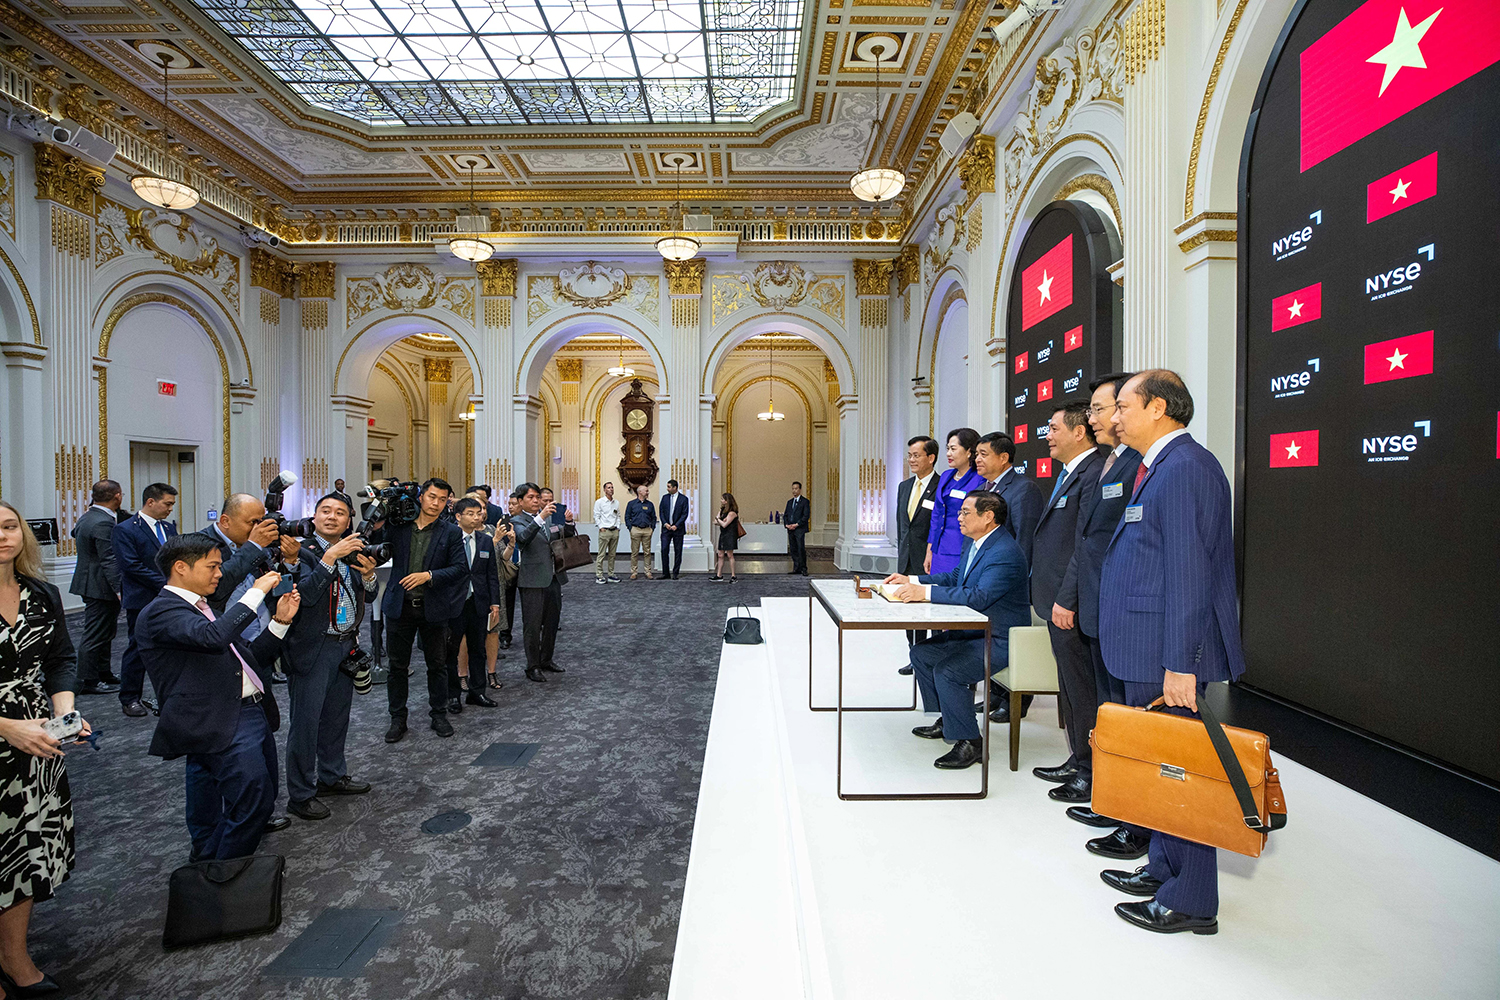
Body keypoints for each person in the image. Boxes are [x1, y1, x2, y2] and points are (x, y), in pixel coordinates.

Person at [1096, 370, 1246, 936]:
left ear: (1158, 408)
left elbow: (1190, 573)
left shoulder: (1184, 468)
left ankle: (1191, 898)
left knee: (1178, 772)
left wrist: (1182, 663)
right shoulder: (1160, 465)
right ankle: (1164, 867)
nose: (1114, 417)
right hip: (1145, 646)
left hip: (1165, 654)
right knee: (1161, 767)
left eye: (1124, 407)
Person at [136, 534, 298, 864]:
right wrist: (257, 592)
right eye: (212, 566)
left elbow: (247, 658)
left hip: (246, 714)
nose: (219, 574)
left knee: (230, 800)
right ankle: (221, 874)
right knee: (252, 800)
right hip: (220, 718)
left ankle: (208, 865)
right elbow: (214, 639)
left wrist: (280, 622)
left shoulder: (202, 607)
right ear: (181, 568)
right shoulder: (161, 611)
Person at [0, 501, 88, 997]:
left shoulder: (41, 592)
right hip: (7, 731)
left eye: (10, 527)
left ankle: (13, 956)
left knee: (24, 850)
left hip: (37, 741)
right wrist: (6, 727)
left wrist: (65, 713)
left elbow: (60, 661)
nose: (3, 536)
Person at [882, 491, 1029, 769]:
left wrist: (923, 593)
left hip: (1001, 639)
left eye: (965, 513)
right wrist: (912, 578)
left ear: (988, 517)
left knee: (949, 671)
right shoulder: (975, 543)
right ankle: (950, 720)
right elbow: (955, 577)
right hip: (976, 632)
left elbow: (977, 597)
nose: (958, 518)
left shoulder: (1004, 553)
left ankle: (971, 742)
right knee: (922, 654)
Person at [1053, 372, 1142, 829]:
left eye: (1104, 408)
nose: (1095, 417)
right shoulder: (1113, 461)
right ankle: (1100, 783)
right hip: (1091, 601)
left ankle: (1114, 796)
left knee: (1118, 707)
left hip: (1114, 606)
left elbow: (1104, 542)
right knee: (1101, 701)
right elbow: (1087, 539)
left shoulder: (1138, 465)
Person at [278, 493, 376, 822]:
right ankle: (301, 794)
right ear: (315, 516)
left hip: (344, 644)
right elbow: (302, 595)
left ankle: (332, 776)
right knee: (306, 722)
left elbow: (370, 593)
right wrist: (330, 557)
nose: (332, 517)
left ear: (349, 520)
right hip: (312, 647)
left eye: (340, 513)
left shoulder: (354, 548)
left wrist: (369, 575)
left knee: (336, 718)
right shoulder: (300, 551)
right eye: (325, 511)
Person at [1022, 401, 1104, 782]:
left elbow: (1084, 544)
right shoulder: (1071, 474)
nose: (1047, 436)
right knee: (1070, 686)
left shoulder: (1093, 473)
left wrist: (1066, 599)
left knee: (1082, 688)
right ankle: (1078, 758)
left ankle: (1090, 768)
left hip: (1070, 602)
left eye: (1054, 428)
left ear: (1078, 431)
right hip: (1057, 598)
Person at [367, 478, 466, 743]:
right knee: (397, 667)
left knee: (438, 665)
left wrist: (429, 575)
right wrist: (377, 522)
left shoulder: (451, 532)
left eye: (442, 499)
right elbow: (375, 550)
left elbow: (460, 568)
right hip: (399, 607)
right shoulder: (398, 527)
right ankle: (397, 718)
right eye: (432, 497)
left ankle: (439, 714)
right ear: (421, 497)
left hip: (434, 609)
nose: (436, 503)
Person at [113, 482, 178, 718]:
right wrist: (166, 583)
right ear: (151, 502)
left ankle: (167, 696)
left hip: (170, 597)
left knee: (171, 646)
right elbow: (131, 566)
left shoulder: (169, 529)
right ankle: (130, 698)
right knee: (138, 648)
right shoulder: (126, 529)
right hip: (142, 598)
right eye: (167, 504)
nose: (171, 509)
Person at [445, 498, 501, 713]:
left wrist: (494, 602)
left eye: (479, 513)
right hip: (454, 603)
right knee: (451, 651)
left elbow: (491, 575)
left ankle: (477, 692)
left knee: (478, 649)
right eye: (471, 513)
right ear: (458, 516)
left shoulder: (485, 540)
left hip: (479, 602)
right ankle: (453, 696)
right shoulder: (448, 539)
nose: (477, 517)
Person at [68, 480, 123, 695]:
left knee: (105, 631)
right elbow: (108, 559)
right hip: (99, 585)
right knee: (96, 633)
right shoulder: (103, 522)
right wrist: (119, 588)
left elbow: (75, 533)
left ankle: (103, 672)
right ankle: (87, 680)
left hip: (89, 581)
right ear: (117, 496)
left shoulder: (89, 516)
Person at [511, 483, 565, 682]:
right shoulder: (517, 520)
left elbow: (558, 537)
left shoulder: (548, 518)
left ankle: (546, 659)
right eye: (531, 497)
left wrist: (566, 524)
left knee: (552, 622)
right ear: (520, 501)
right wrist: (540, 517)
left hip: (553, 576)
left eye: (537, 497)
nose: (536, 501)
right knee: (532, 626)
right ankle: (532, 665)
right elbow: (523, 538)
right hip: (532, 580)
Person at [894, 436, 939, 657]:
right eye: (909, 455)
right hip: (907, 560)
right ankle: (915, 656)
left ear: (931, 458)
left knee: (932, 614)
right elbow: (902, 526)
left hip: (930, 561)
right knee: (910, 613)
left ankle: (934, 657)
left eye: (916, 455)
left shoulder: (941, 486)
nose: (911, 460)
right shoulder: (904, 487)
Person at [977, 432, 1044, 566]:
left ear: (1003, 458)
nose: (977, 459)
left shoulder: (1024, 489)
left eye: (983, 454)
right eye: (976, 454)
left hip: (1005, 568)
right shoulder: (979, 489)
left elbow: (1025, 539)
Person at [925, 429, 984, 575]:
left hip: (961, 548)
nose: (948, 454)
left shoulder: (979, 479)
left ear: (969, 451)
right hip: (939, 548)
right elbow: (937, 514)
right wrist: (930, 550)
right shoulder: (946, 476)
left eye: (953, 449)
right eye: (947, 449)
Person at [497, 493, 522, 651]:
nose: (510, 506)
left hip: (526, 567)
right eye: (509, 503)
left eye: (514, 503)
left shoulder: (529, 522)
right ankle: (505, 635)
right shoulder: (503, 522)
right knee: (507, 603)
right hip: (509, 568)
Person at [624, 484, 656, 580]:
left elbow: (654, 517)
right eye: (646, 491)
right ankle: (634, 572)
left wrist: (652, 528)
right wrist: (630, 528)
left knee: (647, 552)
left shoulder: (650, 504)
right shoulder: (631, 504)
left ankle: (648, 571)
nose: (648, 492)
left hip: (647, 530)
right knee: (635, 552)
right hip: (635, 529)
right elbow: (627, 517)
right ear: (640, 492)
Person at [593, 482, 622, 584]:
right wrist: (601, 527)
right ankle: (599, 575)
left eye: (612, 487)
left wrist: (618, 526)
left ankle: (611, 574)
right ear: (604, 490)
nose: (611, 489)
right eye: (609, 488)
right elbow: (596, 516)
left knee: (612, 555)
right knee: (601, 554)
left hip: (614, 531)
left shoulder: (616, 502)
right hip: (605, 530)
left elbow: (618, 515)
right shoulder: (599, 502)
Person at [658, 479, 688, 580]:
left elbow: (685, 514)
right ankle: (665, 573)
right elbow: (661, 511)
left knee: (678, 551)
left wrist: (677, 525)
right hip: (666, 529)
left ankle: (675, 572)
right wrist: (665, 523)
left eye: (669, 487)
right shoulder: (665, 498)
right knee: (664, 550)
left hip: (678, 529)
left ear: (675, 488)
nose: (667, 489)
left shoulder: (683, 499)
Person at [711, 493, 740, 583]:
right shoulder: (723, 510)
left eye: (722, 499)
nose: (721, 501)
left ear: (727, 501)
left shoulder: (732, 513)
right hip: (723, 534)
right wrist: (719, 520)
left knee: (730, 555)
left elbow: (724, 524)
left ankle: (733, 576)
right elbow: (716, 521)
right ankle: (719, 575)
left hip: (730, 535)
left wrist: (719, 520)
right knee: (720, 555)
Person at [783, 482, 810, 575]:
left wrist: (797, 524)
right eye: (793, 489)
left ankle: (803, 568)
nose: (794, 491)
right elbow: (786, 515)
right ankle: (796, 567)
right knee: (793, 549)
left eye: (796, 489)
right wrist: (787, 524)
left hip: (799, 529)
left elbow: (806, 516)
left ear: (800, 490)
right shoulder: (789, 502)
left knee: (800, 548)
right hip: (790, 529)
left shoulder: (805, 502)